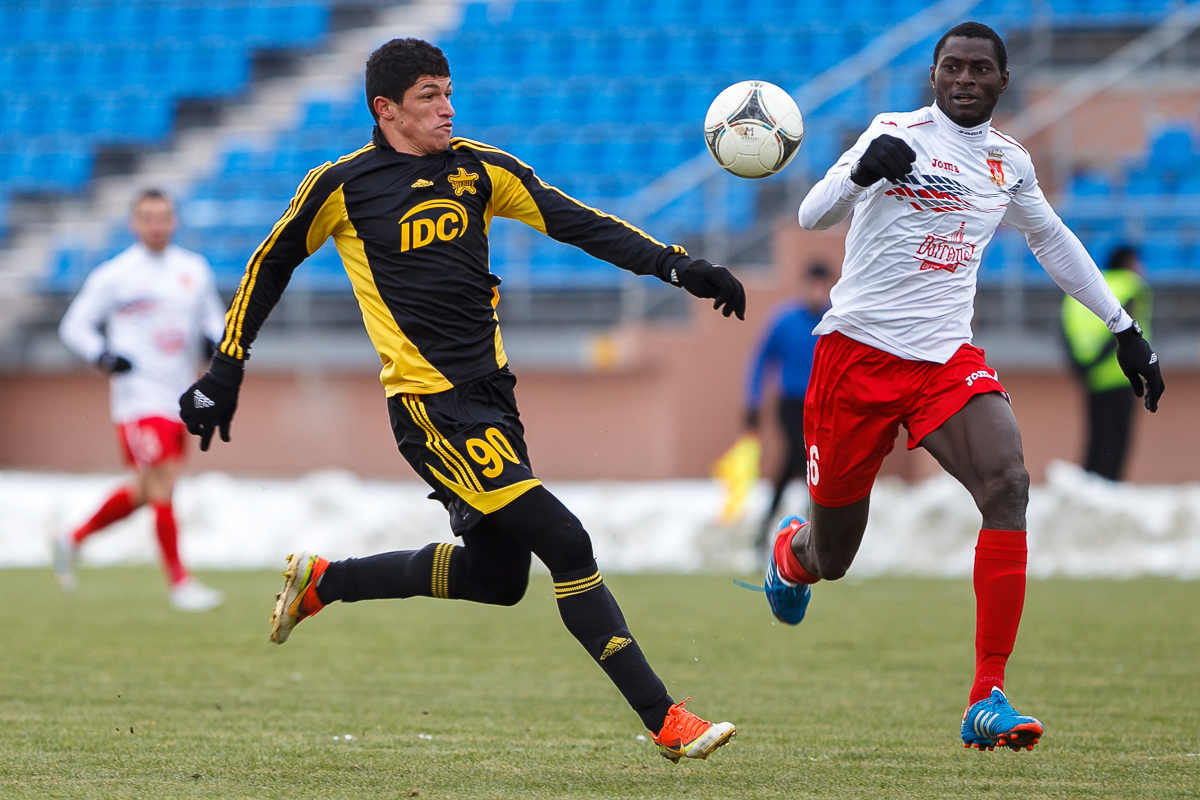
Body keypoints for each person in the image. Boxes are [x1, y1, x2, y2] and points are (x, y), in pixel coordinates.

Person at [178, 38, 744, 762]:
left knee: (499, 579)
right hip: (430, 408)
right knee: (565, 540)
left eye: (448, 92)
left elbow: (576, 220)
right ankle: (665, 719)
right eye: (429, 96)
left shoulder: (478, 169)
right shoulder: (342, 185)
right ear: (386, 110)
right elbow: (269, 263)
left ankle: (327, 582)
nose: (448, 108)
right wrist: (226, 368)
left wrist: (677, 266)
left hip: (493, 398)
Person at [757, 22, 1164, 752]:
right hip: (856, 359)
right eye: (952, 67)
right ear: (934, 75)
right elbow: (812, 213)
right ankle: (793, 555)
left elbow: (1051, 238)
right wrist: (860, 172)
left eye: (980, 69)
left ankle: (987, 695)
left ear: (1003, 81)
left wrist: (1121, 325)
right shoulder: (893, 133)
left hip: (945, 361)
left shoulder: (1010, 161)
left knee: (1009, 482)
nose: (965, 79)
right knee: (834, 558)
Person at [55, 189, 227, 612]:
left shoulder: (193, 270)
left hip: (180, 398)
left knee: (147, 490)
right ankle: (180, 583)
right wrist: (103, 356)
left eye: (163, 217)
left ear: (174, 221)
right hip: (137, 399)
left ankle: (71, 538)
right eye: (148, 217)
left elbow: (214, 319)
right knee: (162, 483)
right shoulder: (115, 275)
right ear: (134, 223)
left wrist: (214, 341)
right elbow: (74, 325)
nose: (156, 225)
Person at [743, 260, 834, 547]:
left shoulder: (835, 320)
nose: (817, 291)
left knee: (800, 464)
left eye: (823, 286)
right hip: (792, 405)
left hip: (822, 406)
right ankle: (812, 527)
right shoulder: (784, 320)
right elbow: (761, 359)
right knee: (803, 456)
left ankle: (767, 528)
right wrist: (753, 401)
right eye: (813, 285)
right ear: (803, 286)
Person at [1061, 244, 1152, 480]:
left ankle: (1089, 482)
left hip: (1089, 375)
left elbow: (1064, 329)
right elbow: (1123, 330)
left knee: (1096, 434)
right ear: (1129, 263)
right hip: (1121, 374)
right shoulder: (1131, 286)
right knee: (1118, 437)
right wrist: (1098, 361)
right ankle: (1110, 485)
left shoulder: (1081, 288)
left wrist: (1082, 366)